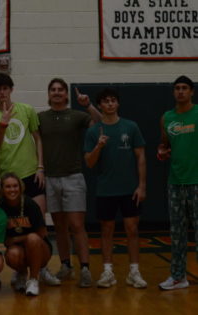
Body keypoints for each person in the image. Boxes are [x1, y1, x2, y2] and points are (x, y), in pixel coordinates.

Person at [0, 73, 59, 286]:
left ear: (11, 89)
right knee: (15, 225)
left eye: (5, 88)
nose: (2, 92)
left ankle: (41, 269)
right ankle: (20, 270)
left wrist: (40, 167)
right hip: (9, 179)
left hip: (31, 173)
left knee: (37, 227)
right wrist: (2, 124)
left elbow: (38, 139)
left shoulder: (26, 110)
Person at [38, 78, 101, 287]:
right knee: (59, 226)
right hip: (51, 178)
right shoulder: (40, 118)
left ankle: (84, 268)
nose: (56, 93)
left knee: (76, 225)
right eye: (53, 89)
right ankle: (66, 265)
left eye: (60, 90)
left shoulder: (77, 116)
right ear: (49, 94)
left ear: (66, 95)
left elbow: (101, 122)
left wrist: (88, 105)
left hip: (73, 178)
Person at [84, 88, 147, 288]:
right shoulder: (94, 131)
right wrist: (99, 147)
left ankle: (134, 272)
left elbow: (141, 157)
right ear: (100, 105)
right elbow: (90, 163)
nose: (110, 104)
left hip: (129, 189)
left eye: (113, 101)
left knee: (132, 230)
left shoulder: (131, 127)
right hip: (106, 190)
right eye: (106, 101)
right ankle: (107, 271)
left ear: (117, 104)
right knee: (106, 231)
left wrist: (142, 185)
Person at [157, 75, 198, 290]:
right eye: (177, 88)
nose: (180, 91)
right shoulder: (167, 117)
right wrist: (162, 151)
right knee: (177, 233)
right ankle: (178, 277)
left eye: (184, 88)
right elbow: (165, 145)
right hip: (175, 182)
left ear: (191, 92)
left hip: (197, 181)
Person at [0, 173, 54, 296]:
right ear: (2, 189)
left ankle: (34, 279)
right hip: (18, 250)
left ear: (20, 187)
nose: (12, 190)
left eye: (15, 186)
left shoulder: (30, 204)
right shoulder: (0, 207)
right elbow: (6, 241)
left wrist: (19, 238)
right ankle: (21, 273)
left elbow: (42, 233)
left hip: (41, 249)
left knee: (32, 238)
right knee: (12, 254)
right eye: (8, 187)